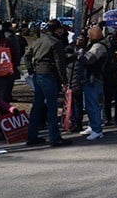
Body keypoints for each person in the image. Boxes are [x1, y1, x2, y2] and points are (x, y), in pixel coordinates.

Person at [24, 19, 72, 147]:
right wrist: (64, 81)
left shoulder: (38, 41)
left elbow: (27, 56)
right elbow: (59, 64)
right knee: (52, 107)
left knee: (37, 106)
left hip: (38, 74)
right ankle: (54, 137)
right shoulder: (56, 42)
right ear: (57, 29)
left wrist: (30, 70)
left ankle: (32, 136)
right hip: (49, 75)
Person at [78, 26, 109, 141]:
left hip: (94, 78)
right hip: (90, 78)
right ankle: (92, 126)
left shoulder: (98, 46)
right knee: (89, 104)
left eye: (88, 34)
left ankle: (97, 130)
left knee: (94, 104)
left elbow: (88, 60)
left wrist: (80, 54)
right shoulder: (95, 45)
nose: (86, 36)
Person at [64, 34, 87, 132]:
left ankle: (78, 123)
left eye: (82, 39)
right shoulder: (69, 50)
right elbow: (65, 57)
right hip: (70, 79)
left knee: (77, 103)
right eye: (78, 39)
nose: (80, 41)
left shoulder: (85, 51)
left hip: (78, 80)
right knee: (72, 103)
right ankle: (73, 122)